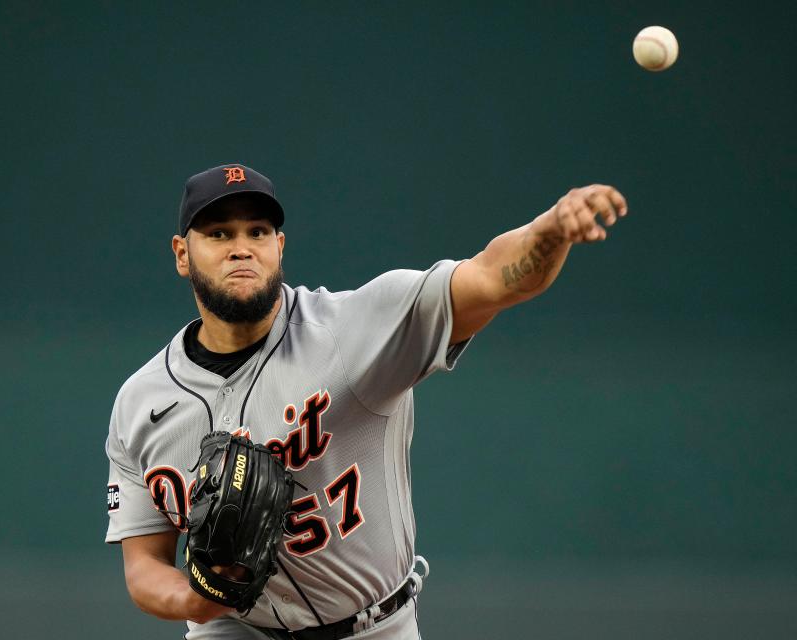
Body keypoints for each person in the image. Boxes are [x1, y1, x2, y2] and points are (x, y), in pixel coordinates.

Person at [104, 163, 628, 639]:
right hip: (237, 632)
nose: (242, 247)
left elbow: (492, 278)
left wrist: (551, 230)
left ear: (279, 247)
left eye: (257, 232)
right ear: (181, 254)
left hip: (373, 628)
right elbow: (143, 564)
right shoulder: (142, 401)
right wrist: (194, 598)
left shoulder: (353, 329)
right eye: (219, 234)